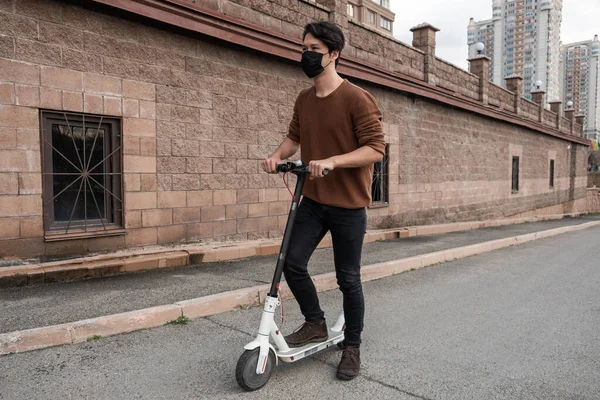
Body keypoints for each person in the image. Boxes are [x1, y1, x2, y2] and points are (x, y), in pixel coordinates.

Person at [261, 21, 385, 381]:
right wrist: (275, 157)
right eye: (304, 48)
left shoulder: (357, 98)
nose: (307, 55)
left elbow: (375, 149)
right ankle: (315, 322)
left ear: (333, 54)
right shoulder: (304, 99)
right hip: (313, 200)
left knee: (348, 278)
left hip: (348, 206)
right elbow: (293, 138)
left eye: (314, 49)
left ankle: (352, 345)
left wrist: (333, 161)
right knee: (292, 262)